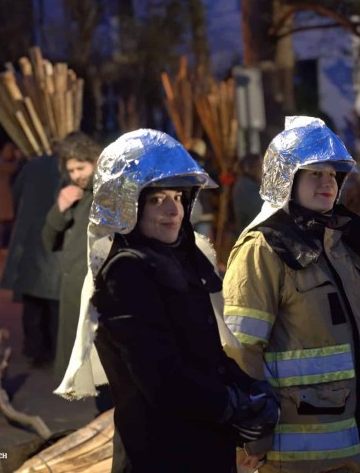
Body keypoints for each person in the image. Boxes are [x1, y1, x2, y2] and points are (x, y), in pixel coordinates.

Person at [55, 129, 279, 472]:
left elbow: (207, 355)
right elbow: (162, 381)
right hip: (162, 455)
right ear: (128, 205)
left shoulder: (181, 260)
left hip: (203, 446)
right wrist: (230, 405)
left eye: (177, 197)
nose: (173, 209)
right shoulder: (125, 275)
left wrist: (249, 389)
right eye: (157, 199)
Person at [223, 117, 360, 473]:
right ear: (287, 180)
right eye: (314, 173)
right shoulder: (263, 249)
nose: (327, 182)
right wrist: (252, 432)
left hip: (358, 448)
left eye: (333, 174)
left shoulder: (344, 245)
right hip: (296, 452)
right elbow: (241, 349)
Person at [41, 132, 103, 396]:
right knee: (79, 357)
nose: (77, 174)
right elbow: (48, 240)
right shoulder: (71, 193)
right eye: (72, 169)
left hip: (97, 285)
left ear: (94, 161)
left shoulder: (107, 192)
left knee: (101, 359)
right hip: (73, 285)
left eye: (82, 167)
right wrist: (60, 207)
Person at [0, 153, 61, 367]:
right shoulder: (71, 167)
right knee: (55, 299)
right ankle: (54, 348)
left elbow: (17, 195)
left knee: (33, 297)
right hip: (56, 239)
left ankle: (35, 349)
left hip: (30, 236)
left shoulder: (32, 166)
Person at [0, 142, 20, 249]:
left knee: (8, 223)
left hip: (7, 197)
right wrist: (18, 159)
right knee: (5, 224)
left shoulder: (2, 162)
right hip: (4, 197)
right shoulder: (0, 163)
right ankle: (4, 246)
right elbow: (12, 169)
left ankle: (7, 245)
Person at [232, 153, 262, 234]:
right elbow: (260, 209)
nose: (263, 169)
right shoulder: (245, 186)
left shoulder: (249, 183)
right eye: (260, 166)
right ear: (252, 168)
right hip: (252, 235)